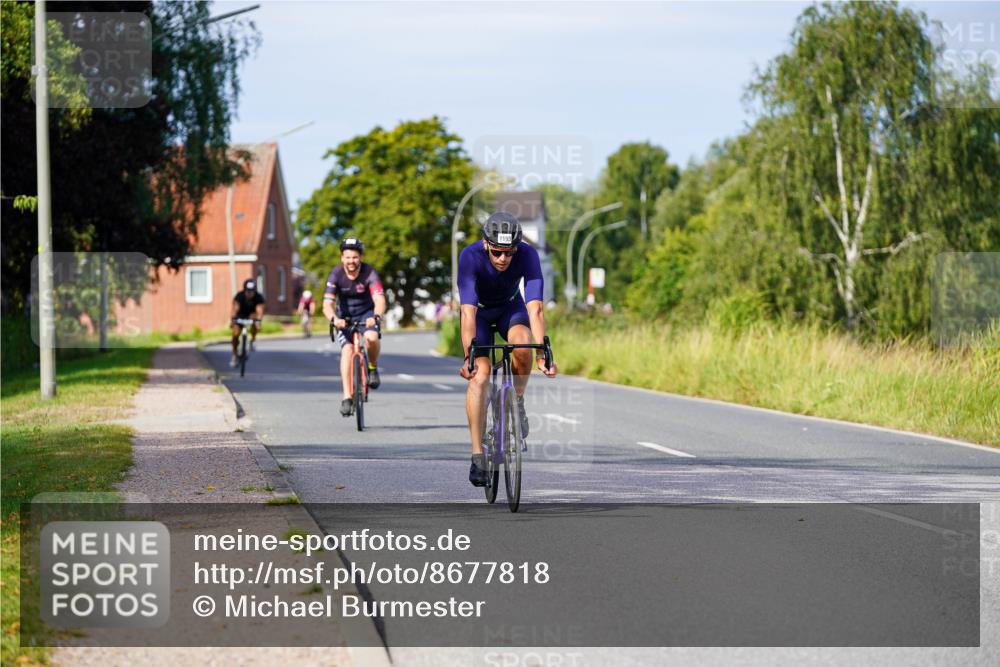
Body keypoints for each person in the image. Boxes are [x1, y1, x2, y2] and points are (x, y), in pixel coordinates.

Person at [457, 211, 557, 487]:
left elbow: (535, 307)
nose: (504, 259)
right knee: (480, 375)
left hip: (509, 309)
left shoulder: (528, 255)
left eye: (509, 253)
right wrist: (469, 357)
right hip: (478, 314)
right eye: (498, 252)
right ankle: (477, 454)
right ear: (487, 244)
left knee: (523, 345)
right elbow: (466, 311)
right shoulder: (469, 256)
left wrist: (542, 354)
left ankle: (518, 401)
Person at [322, 238, 387, 417]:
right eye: (348, 257)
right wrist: (334, 319)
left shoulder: (369, 273)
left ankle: (372, 368)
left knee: (371, 339)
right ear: (342, 258)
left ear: (361, 258)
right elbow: (327, 304)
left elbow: (380, 300)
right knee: (347, 351)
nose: (351, 261)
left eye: (355, 257)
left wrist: (376, 316)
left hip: (367, 315)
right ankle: (347, 396)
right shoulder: (335, 274)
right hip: (344, 318)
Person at [230, 278, 265, 367]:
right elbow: (235, 308)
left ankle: (252, 340)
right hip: (240, 316)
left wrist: (259, 320)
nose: (250, 293)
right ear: (244, 290)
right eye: (248, 291)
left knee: (256, 325)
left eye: (252, 291)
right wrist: (233, 319)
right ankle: (234, 355)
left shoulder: (258, 297)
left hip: (251, 316)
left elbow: (259, 310)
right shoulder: (239, 296)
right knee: (235, 333)